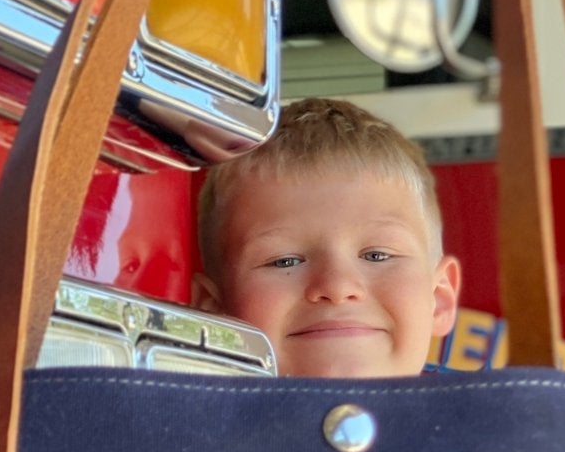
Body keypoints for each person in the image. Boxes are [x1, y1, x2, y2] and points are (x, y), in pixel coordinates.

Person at [192, 97, 461, 378]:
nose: (337, 286)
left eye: (377, 255)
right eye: (285, 261)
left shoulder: (493, 419)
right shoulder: (167, 421)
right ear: (214, 312)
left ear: (439, 298)